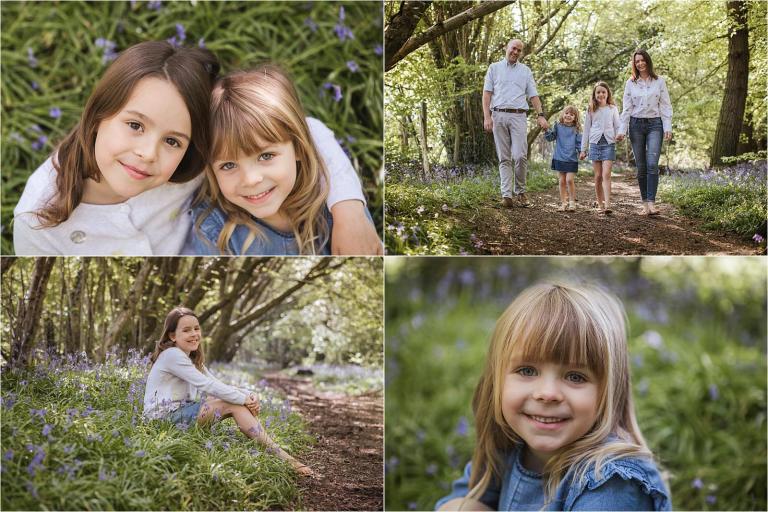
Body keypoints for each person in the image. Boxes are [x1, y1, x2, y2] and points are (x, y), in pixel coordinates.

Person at [13, 41, 379, 256]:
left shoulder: (198, 159)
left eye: (172, 140)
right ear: (96, 116)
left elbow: (306, 131)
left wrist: (348, 210)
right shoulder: (37, 220)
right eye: (135, 125)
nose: (148, 153)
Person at [435, 282, 671, 511]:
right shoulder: (506, 446)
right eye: (527, 371)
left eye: (575, 377)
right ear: (496, 381)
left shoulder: (611, 483)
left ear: (609, 392)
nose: (547, 394)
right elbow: (460, 500)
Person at [185, 65, 379, 255]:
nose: (251, 179)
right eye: (228, 165)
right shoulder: (214, 229)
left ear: (298, 148)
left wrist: (348, 210)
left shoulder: (338, 205)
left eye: (266, 156)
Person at [142, 306, 313, 477]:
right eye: (186, 330)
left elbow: (216, 383)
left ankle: (276, 453)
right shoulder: (173, 355)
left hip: (180, 413)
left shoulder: (188, 357)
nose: (194, 334)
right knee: (233, 404)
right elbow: (208, 387)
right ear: (172, 336)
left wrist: (249, 395)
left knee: (235, 402)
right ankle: (284, 458)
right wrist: (244, 399)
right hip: (163, 420)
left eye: (196, 328)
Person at [482, 39, 549, 208]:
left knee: (520, 155)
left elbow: (533, 95)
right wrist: (487, 117)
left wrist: (540, 115)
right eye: (514, 48)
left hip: (519, 116)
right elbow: (487, 94)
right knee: (504, 158)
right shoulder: (494, 68)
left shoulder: (525, 71)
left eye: (519, 50)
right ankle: (507, 196)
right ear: (507, 48)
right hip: (498, 115)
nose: (516, 52)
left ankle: (520, 192)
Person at [616, 49, 673, 216]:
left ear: (648, 61)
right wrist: (621, 130)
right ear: (634, 64)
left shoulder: (659, 81)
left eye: (642, 60)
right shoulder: (630, 83)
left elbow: (665, 105)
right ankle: (644, 205)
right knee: (641, 167)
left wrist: (667, 126)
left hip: (655, 124)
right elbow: (626, 109)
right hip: (636, 125)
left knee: (652, 164)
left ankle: (652, 203)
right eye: (637, 61)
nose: (640, 63)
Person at [579, 82, 621, 214]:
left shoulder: (612, 108)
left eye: (603, 92)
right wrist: (583, 149)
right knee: (597, 176)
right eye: (598, 92)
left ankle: (608, 204)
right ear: (594, 95)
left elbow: (617, 125)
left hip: (609, 142)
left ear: (607, 94)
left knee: (606, 174)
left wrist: (620, 134)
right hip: (595, 144)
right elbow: (586, 130)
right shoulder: (591, 109)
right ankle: (600, 204)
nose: (601, 94)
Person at [544, 106, 582, 211]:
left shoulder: (576, 129)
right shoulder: (558, 126)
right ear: (563, 114)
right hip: (559, 157)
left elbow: (579, 143)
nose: (568, 115)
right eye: (567, 113)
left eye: (572, 114)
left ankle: (572, 203)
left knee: (569, 180)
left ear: (575, 118)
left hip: (571, 159)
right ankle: (563, 203)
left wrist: (582, 152)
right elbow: (550, 137)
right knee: (561, 181)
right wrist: (546, 129)